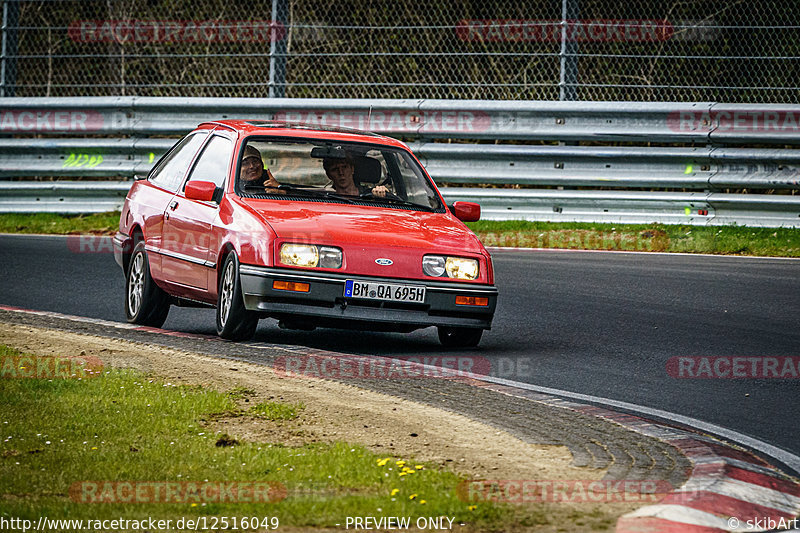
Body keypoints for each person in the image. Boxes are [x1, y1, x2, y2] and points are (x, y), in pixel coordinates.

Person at [323, 156, 389, 197]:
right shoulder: (323, 199)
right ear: (329, 175)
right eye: (335, 169)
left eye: (344, 167)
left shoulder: (372, 194)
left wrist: (382, 194)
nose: (341, 173)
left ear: (352, 169)